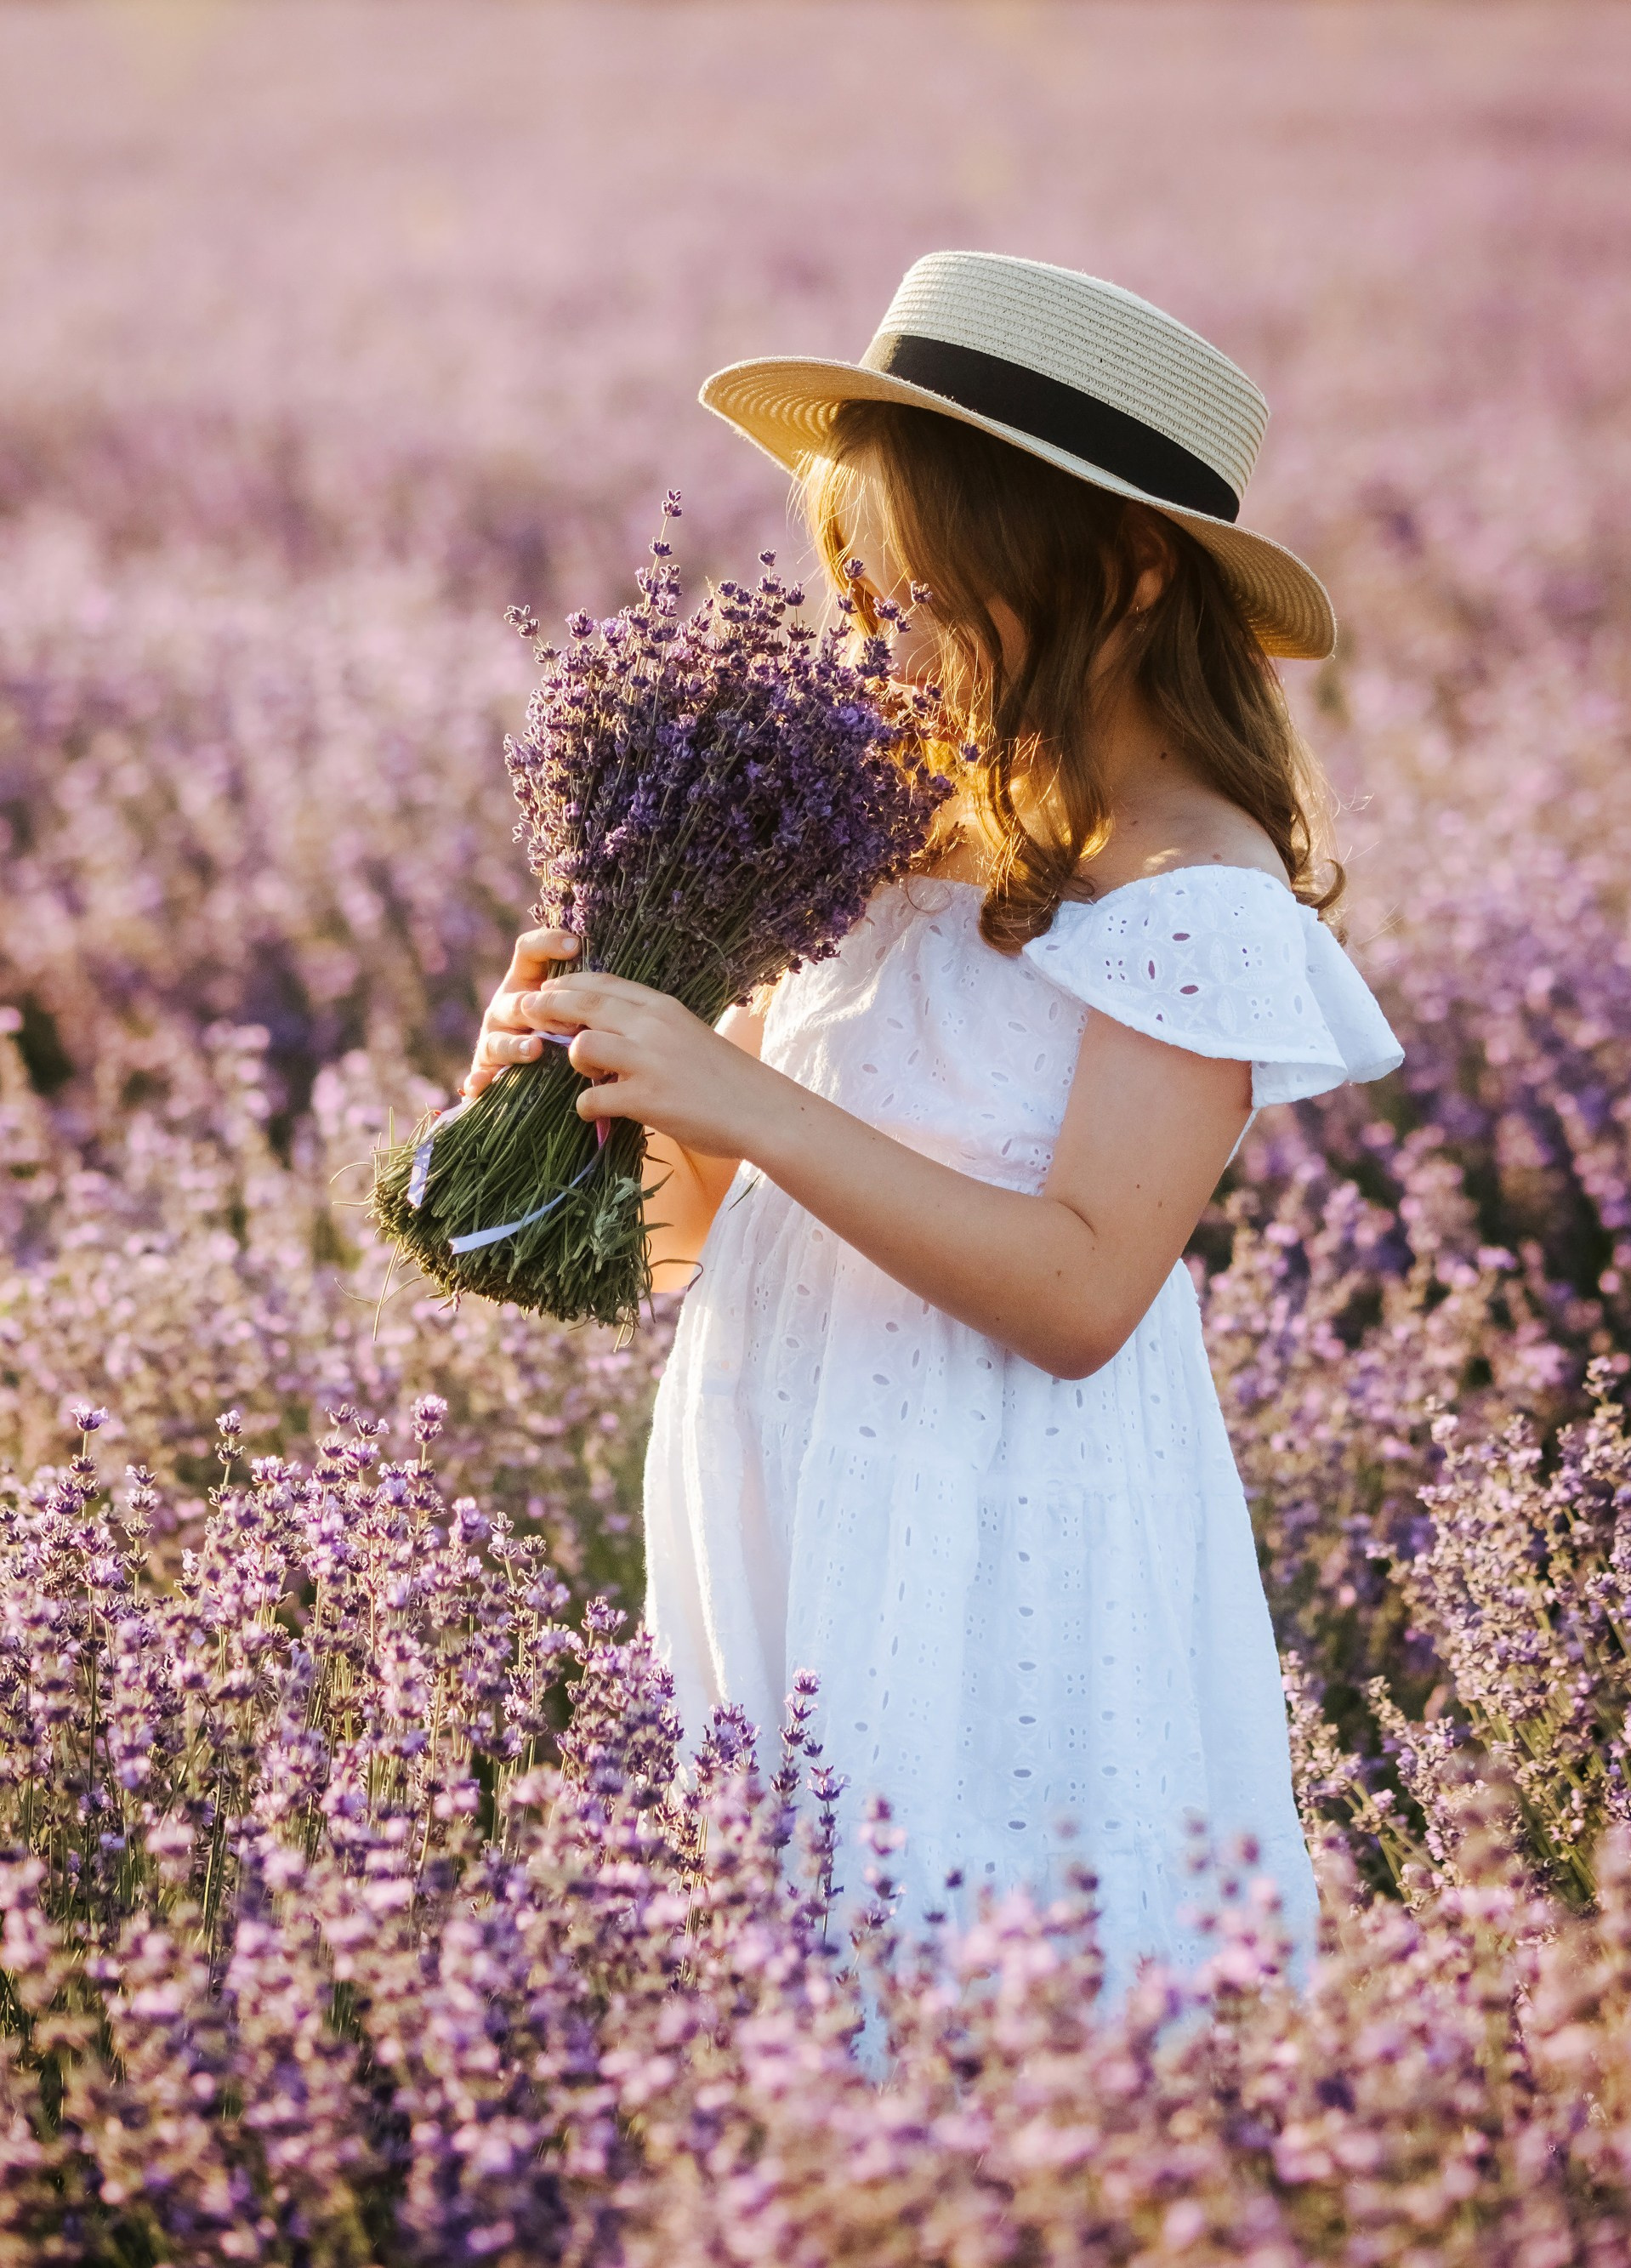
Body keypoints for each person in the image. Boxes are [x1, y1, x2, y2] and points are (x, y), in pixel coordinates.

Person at [462, 253, 1404, 1984]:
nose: (866, 645)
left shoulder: (1194, 889)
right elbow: (679, 1242)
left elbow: (1078, 1291)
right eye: (846, 588)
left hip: (992, 1536)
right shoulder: (883, 848)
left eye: (921, 594)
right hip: (785, 1472)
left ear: (1122, 576)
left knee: (985, 1970)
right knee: (781, 1976)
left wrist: (742, 1092)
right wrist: (579, 1091)